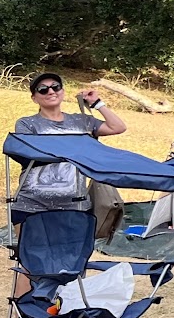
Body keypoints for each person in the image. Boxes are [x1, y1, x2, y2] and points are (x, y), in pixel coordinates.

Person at [10, 73, 127, 218]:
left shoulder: (82, 121)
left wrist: (97, 103)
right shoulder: (26, 123)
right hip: (31, 205)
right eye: (43, 89)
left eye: (56, 87)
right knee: (31, 242)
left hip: (75, 205)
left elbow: (118, 127)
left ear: (62, 92)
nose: (51, 91)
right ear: (34, 98)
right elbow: (29, 152)